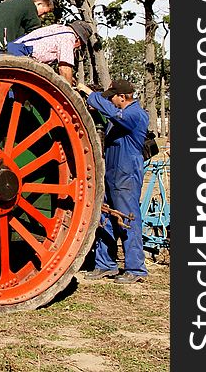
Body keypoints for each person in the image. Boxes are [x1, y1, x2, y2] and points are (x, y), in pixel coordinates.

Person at [79, 79, 150, 284]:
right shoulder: (120, 114)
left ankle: (136, 268)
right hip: (112, 171)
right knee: (106, 216)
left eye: (113, 97)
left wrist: (88, 93)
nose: (111, 100)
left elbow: (112, 112)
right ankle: (105, 264)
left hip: (126, 172)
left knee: (127, 217)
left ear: (122, 97)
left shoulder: (135, 114)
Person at [6, 19, 93, 85]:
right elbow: (64, 69)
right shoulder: (69, 37)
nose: (78, 47)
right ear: (78, 39)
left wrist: (69, 78)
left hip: (12, 48)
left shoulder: (58, 28)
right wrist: (70, 92)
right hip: (21, 54)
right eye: (80, 45)